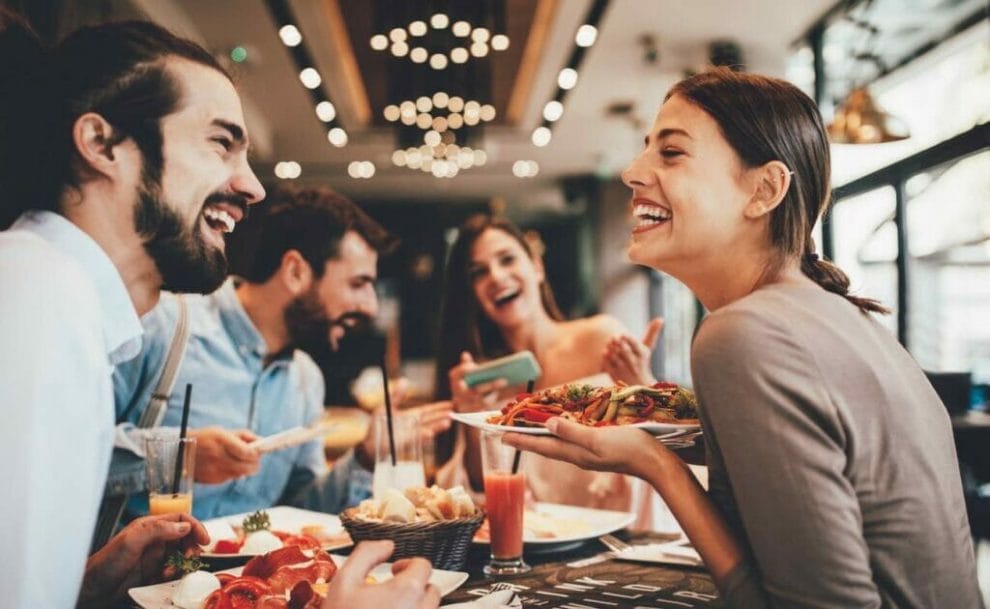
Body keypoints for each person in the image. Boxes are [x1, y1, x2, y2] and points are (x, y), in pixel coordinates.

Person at [0, 12, 439, 609]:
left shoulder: (59, 297)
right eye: (219, 143)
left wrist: (91, 586)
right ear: (102, 144)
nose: (253, 187)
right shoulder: (37, 297)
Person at [504, 68, 983, 608]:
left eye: (672, 153)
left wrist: (657, 464)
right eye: (645, 151)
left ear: (763, 190)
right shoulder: (847, 320)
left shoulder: (741, 332)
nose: (634, 173)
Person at [114, 185, 452, 519]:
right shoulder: (162, 326)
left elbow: (301, 513)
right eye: (358, 283)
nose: (370, 305)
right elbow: (70, 446)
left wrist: (365, 457)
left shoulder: (305, 379)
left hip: (250, 574)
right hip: (143, 573)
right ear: (295, 271)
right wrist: (179, 455)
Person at [434, 214, 666, 527]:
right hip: (535, 549)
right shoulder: (486, 382)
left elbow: (660, 444)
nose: (497, 277)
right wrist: (470, 416)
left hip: (620, 532)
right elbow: (482, 487)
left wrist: (644, 385)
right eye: (479, 272)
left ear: (537, 267)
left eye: (507, 259)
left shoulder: (600, 339)